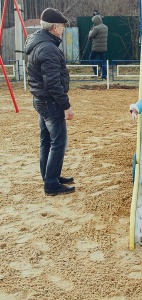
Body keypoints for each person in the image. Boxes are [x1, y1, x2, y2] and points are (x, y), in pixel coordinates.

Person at [24, 8, 75, 196]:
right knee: (58, 142)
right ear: (55, 27)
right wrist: (66, 106)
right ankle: (52, 183)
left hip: (40, 99)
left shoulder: (39, 43)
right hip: (50, 102)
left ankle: (50, 176)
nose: (63, 30)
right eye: (62, 26)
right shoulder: (48, 48)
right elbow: (53, 83)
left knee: (46, 140)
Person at [88, 13, 108, 79]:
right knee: (103, 61)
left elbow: (90, 36)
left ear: (96, 21)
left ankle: (97, 72)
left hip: (96, 47)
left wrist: (90, 31)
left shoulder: (96, 28)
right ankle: (104, 75)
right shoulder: (105, 27)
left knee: (91, 59)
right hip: (104, 47)